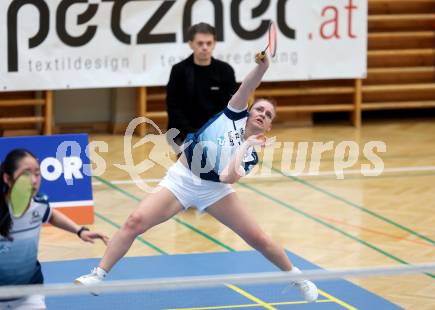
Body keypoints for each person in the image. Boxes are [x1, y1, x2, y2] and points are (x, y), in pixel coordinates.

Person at [75, 54, 319, 302]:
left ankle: (297, 277)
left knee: (258, 238)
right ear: (248, 110)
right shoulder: (233, 114)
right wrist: (263, 67)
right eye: (260, 108)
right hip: (183, 178)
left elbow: (227, 177)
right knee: (135, 221)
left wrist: (245, 146)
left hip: (215, 190)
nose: (263, 114)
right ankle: (98, 275)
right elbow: (249, 84)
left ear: (268, 127)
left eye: (268, 115)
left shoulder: (251, 156)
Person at [0, 149, 109, 310]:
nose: (34, 180)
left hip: (29, 290)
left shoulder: (40, 202)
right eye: (26, 174)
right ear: (7, 179)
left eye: (37, 174)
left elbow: (50, 215)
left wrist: (80, 231)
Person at [166, 22, 237, 147]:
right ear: (191, 44)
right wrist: (191, 135)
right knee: (192, 161)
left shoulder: (225, 71)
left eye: (209, 43)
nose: (205, 47)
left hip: (218, 133)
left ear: (214, 44)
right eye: (200, 43)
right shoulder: (179, 71)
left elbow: (231, 106)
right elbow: (173, 107)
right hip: (185, 133)